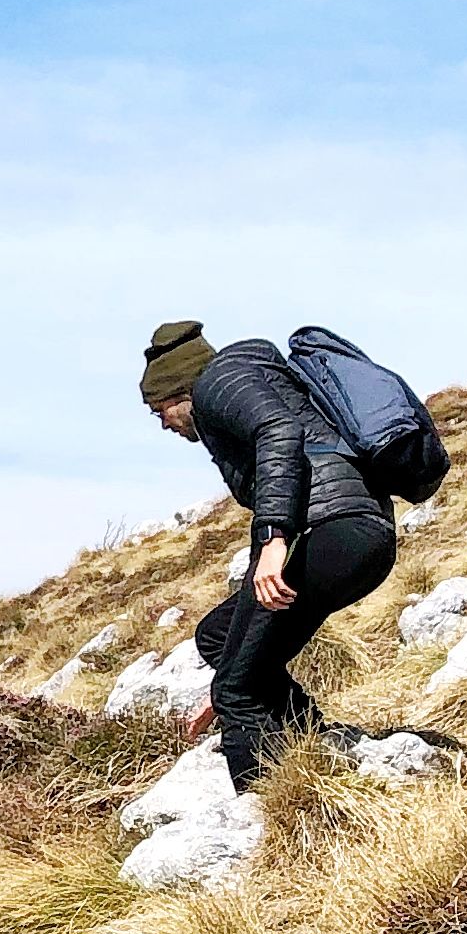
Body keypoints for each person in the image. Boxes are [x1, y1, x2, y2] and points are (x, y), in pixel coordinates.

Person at [138, 318, 396, 790]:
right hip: (360, 532)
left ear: (179, 393)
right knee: (218, 637)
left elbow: (279, 434)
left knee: (236, 690)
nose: (163, 425)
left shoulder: (217, 383)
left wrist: (274, 538)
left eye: (160, 411)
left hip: (333, 532)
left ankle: (266, 814)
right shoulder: (251, 378)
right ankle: (314, 746)